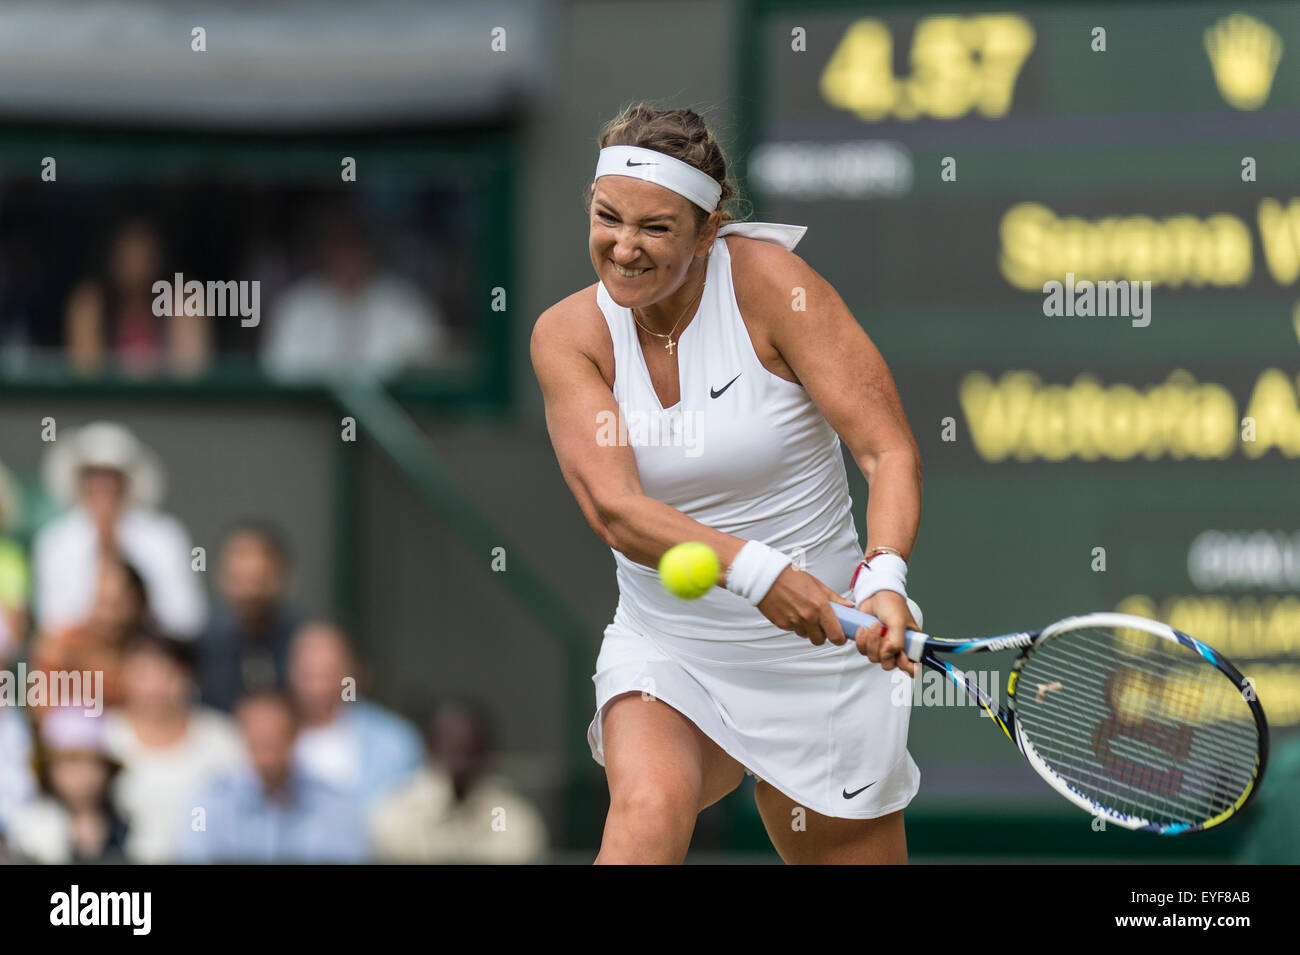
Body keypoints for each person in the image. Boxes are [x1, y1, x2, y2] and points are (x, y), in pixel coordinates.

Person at [530, 104, 925, 864]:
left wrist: (884, 574)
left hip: (823, 650)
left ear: (709, 231)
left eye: (656, 228)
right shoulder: (568, 336)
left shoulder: (775, 286)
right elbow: (617, 511)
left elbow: (887, 451)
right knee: (645, 809)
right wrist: (760, 572)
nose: (623, 247)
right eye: (607, 217)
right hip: (672, 645)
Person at [32, 421, 207, 639]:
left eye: (111, 478)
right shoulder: (54, 540)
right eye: (93, 478)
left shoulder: (166, 536)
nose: (102, 488)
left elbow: (187, 618)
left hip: (149, 653)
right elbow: (52, 622)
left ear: (127, 483)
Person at [177, 689, 367, 863]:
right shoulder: (208, 803)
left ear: (295, 736)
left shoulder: (335, 806)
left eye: (274, 743)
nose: (267, 759)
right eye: (258, 744)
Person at [105, 631, 245, 863]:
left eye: (166, 673)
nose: (154, 687)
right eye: (143, 674)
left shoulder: (221, 740)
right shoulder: (105, 737)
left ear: (189, 677)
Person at [260, 208, 447, 380]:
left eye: (354, 245)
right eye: (338, 246)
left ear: (369, 249)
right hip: (308, 414)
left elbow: (428, 363)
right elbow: (280, 371)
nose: (346, 256)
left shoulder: (406, 304)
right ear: (323, 250)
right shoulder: (295, 306)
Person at [369, 701, 548, 863]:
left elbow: (519, 850)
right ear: (431, 749)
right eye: (450, 750)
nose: (460, 764)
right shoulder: (397, 811)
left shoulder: (514, 816)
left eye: (469, 751)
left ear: (488, 755)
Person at [287, 621, 422, 809]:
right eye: (309, 673)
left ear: (352, 673)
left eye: (329, 673)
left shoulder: (394, 742)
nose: (319, 687)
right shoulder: (269, 739)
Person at [63, 218, 211, 378]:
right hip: (109, 401)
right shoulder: (91, 301)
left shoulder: (182, 299)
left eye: (143, 250)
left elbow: (192, 374)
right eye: (127, 251)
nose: (135, 262)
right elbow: (86, 373)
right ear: (112, 256)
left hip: (166, 402)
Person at [198, 521, 302, 713]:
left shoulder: (304, 646)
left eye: (260, 581)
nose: (250, 593)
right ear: (222, 576)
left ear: (282, 578)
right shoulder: (202, 647)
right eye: (240, 580)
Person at [27, 557, 151, 715]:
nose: (105, 615)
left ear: (136, 604)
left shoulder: (150, 652)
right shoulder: (63, 643)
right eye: (100, 602)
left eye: (114, 604)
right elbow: (42, 708)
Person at [7, 707, 129, 863]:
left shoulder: (126, 827)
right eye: (72, 761)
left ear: (106, 770)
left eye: (92, 762)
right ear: (49, 771)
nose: (82, 773)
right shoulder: (28, 830)